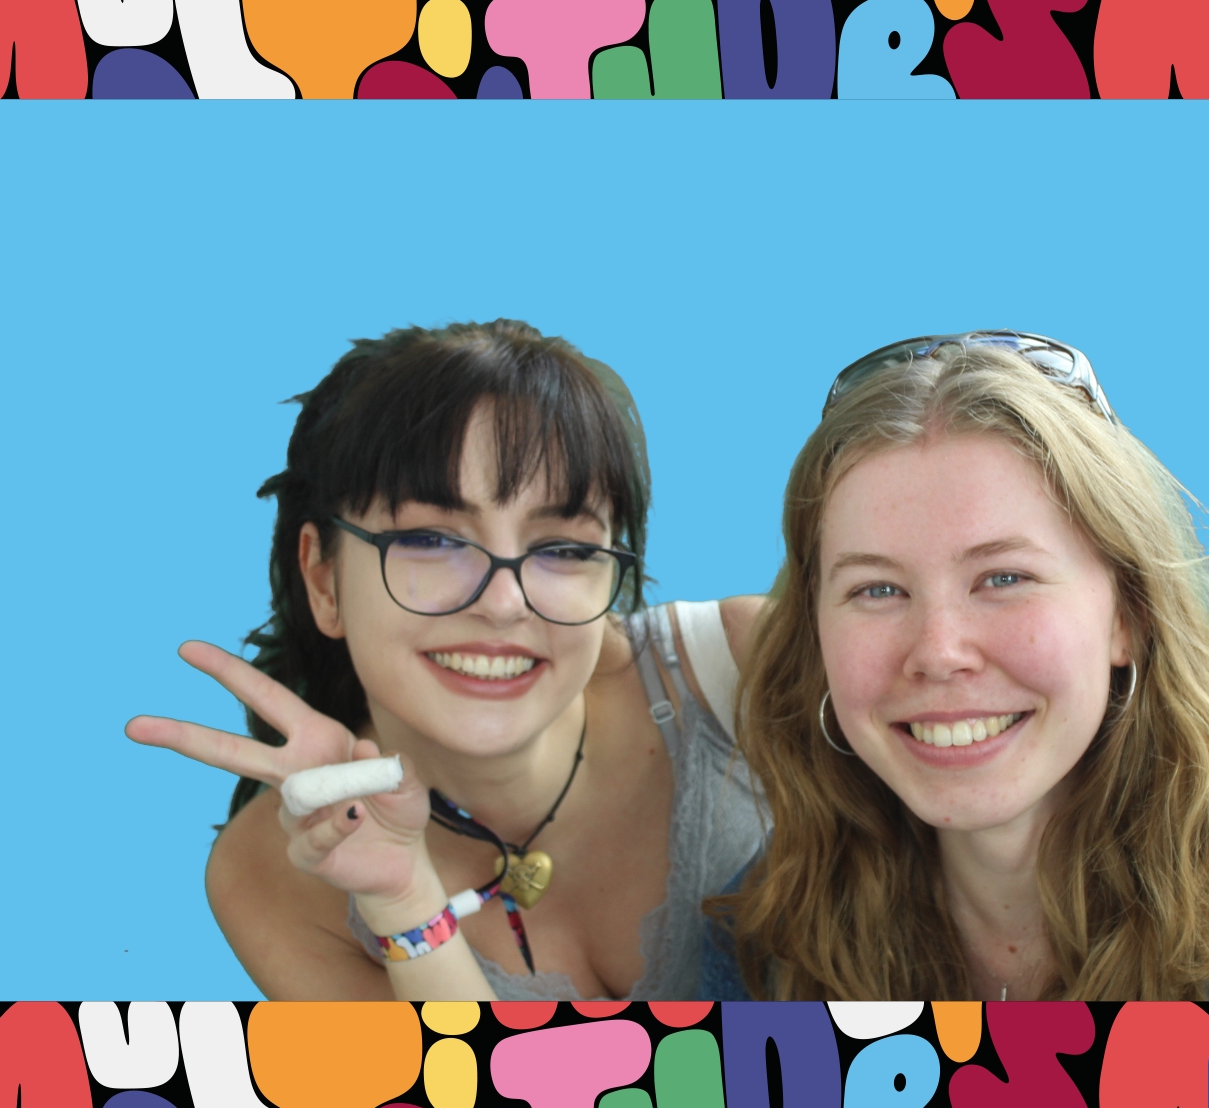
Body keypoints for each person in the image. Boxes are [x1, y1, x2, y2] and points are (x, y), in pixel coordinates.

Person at [704, 331, 1209, 1002]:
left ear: (1129, 615)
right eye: (877, 589)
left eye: (1004, 578)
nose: (939, 651)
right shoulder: (767, 938)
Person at [127, 320, 766, 1000]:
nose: (503, 602)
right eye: (431, 539)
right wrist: (402, 901)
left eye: (564, 548)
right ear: (323, 579)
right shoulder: (272, 877)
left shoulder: (746, 670)